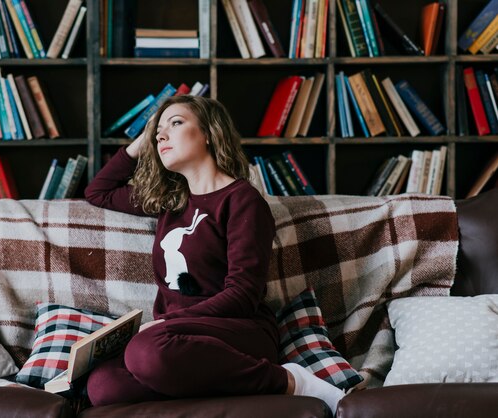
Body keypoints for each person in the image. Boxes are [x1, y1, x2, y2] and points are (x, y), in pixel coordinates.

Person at [84, 95, 344, 412]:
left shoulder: (241, 199)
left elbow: (243, 294)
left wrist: (163, 325)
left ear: (208, 132)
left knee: (146, 352)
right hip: (179, 337)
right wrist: (143, 138)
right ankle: (211, 384)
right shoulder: (170, 201)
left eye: (175, 123)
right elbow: (98, 191)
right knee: (103, 385)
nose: (161, 135)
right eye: (157, 132)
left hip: (237, 330)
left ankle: (287, 381)